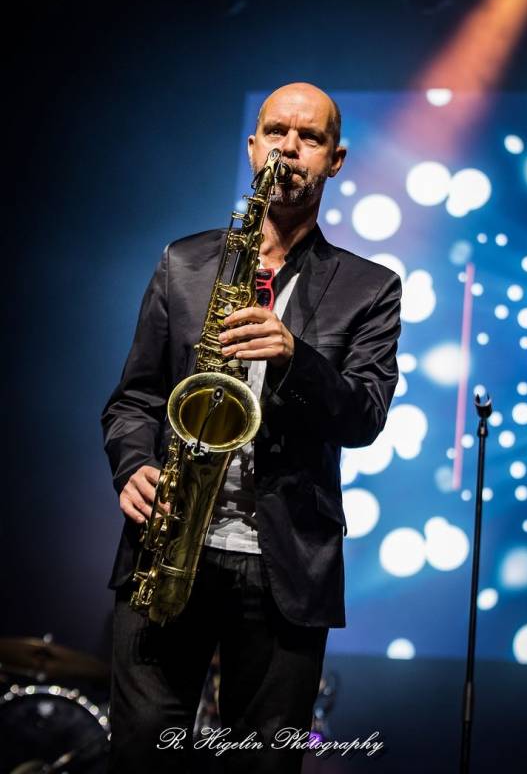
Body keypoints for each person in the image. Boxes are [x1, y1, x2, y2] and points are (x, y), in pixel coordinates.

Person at [101, 82, 402, 773]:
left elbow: (364, 417)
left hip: (282, 568)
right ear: (252, 146)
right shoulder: (183, 262)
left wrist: (297, 358)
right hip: (167, 542)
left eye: (309, 137)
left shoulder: (370, 288)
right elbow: (134, 400)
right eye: (275, 132)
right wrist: (133, 466)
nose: (288, 148)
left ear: (335, 160)